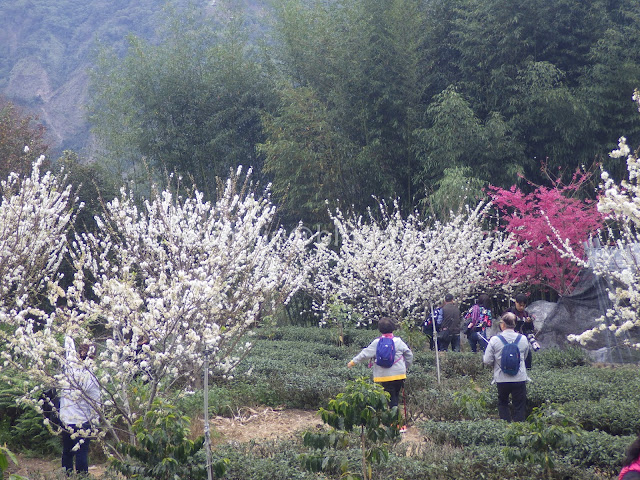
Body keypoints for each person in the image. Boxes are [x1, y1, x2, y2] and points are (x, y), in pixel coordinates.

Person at [347, 317, 413, 410]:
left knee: (388, 396)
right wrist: (405, 367)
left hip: (383, 375)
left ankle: (391, 419)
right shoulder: (398, 341)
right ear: (393, 328)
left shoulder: (377, 342)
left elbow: (365, 354)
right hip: (399, 374)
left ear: (380, 329)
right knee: (395, 396)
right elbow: (409, 355)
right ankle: (395, 418)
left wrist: (353, 362)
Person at [60, 335, 100, 475]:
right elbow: (96, 403)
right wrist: (95, 423)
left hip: (66, 418)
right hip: (83, 421)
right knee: (81, 452)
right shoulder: (91, 377)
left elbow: (68, 348)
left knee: (67, 452)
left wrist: (70, 333)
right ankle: (83, 477)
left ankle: (67, 476)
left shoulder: (70, 367)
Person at [482, 312, 531, 422]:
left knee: (503, 403)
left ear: (502, 324)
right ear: (515, 324)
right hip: (519, 378)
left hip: (501, 378)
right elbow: (525, 356)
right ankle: (519, 431)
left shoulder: (495, 340)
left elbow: (487, 360)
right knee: (519, 405)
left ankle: (506, 428)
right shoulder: (523, 339)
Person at [506, 293, 536, 368]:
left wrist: (529, 322)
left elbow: (530, 328)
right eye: (520, 305)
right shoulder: (509, 312)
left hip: (523, 338)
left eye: (523, 306)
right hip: (511, 338)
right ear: (515, 302)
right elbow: (503, 325)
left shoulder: (526, 314)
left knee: (527, 354)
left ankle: (528, 369)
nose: (521, 307)